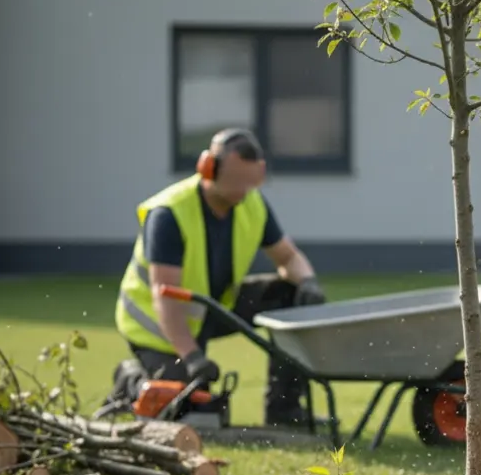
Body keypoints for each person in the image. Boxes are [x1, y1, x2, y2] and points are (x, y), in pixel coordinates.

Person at [113, 127, 327, 427]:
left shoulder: (251, 204)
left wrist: (307, 282)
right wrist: (192, 358)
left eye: (249, 182)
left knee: (291, 296)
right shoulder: (169, 214)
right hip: (157, 326)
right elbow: (166, 298)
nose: (243, 190)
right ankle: (130, 379)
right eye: (236, 181)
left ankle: (284, 409)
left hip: (209, 308)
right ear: (208, 168)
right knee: (188, 408)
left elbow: (289, 257)